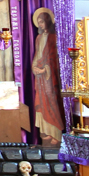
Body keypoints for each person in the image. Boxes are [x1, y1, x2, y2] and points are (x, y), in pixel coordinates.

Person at [31, 8, 63, 145]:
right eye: (38, 23)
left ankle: (56, 133)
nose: (40, 25)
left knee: (52, 103)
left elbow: (54, 57)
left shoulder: (53, 37)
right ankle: (47, 131)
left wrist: (45, 69)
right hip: (40, 77)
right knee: (42, 103)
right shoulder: (39, 38)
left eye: (42, 22)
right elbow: (38, 54)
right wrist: (34, 67)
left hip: (50, 76)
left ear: (48, 22)